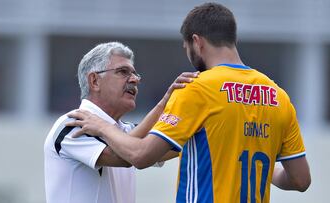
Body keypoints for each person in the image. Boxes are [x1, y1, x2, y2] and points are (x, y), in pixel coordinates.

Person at [66, 2, 311, 203]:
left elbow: (140, 156)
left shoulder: (197, 87)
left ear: (197, 41)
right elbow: (301, 180)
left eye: (186, 47)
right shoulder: (279, 96)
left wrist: (102, 126)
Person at [44, 41, 198, 203]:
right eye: (123, 72)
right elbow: (128, 156)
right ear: (95, 81)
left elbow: (177, 145)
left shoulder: (124, 130)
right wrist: (164, 103)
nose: (134, 80)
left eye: (134, 74)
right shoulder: (73, 124)